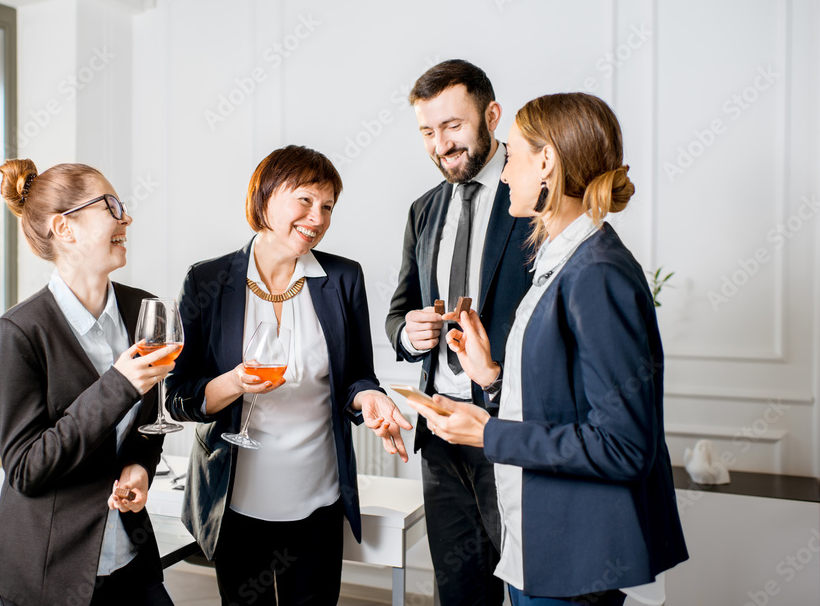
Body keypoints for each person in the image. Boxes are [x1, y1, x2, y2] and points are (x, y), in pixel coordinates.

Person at [408, 93, 689, 605]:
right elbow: (559, 401)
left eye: (511, 156)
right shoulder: (561, 259)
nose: (505, 172)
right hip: (537, 545)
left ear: (546, 163)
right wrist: (490, 376)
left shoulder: (597, 272)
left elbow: (624, 447)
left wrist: (489, 433)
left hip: (573, 558)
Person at [165, 145, 411, 606]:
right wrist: (235, 382)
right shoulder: (207, 281)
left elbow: (357, 376)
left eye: (328, 207)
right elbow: (178, 397)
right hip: (235, 501)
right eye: (305, 200)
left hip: (317, 499)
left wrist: (370, 398)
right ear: (265, 197)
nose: (316, 217)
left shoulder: (343, 278)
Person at [0, 159, 177, 606]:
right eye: (110, 205)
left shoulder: (143, 310)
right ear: (65, 229)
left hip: (130, 557)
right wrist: (118, 385)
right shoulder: (18, 332)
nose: (125, 217)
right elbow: (27, 470)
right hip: (48, 572)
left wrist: (140, 468)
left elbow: (148, 427)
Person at [385, 59, 533, 604]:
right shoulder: (422, 210)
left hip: (510, 430)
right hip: (441, 434)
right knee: (460, 592)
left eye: (452, 126)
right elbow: (398, 309)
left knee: (525, 587)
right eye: (427, 131)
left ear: (491, 116)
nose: (440, 144)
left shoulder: (532, 200)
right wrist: (409, 333)